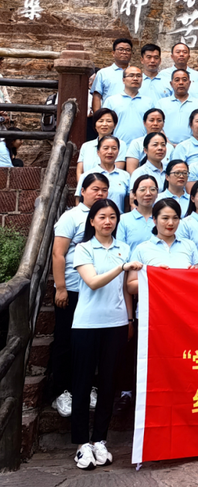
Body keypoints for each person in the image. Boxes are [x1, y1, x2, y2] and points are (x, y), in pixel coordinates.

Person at [70, 199, 142, 469]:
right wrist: (121, 268)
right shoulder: (83, 248)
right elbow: (93, 282)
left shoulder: (124, 248)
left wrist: (129, 318)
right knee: (82, 383)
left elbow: (126, 289)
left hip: (116, 323)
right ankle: (81, 443)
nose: (108, 221)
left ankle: (100, 439)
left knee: (109, 383)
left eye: (112, 217)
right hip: (87, 325)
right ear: (92, 221)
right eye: (102, 217)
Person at [51, 173, 110, 419]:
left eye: (104, 189)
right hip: (73, 288)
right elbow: (58, 253)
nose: (100, 193)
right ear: (82, 191)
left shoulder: (106, 217)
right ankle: (61, 391)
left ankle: (86, 388)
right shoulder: (71, 217)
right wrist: (60, 287)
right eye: (95, 189)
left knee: (91, 343)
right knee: (66, 340)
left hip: (96, 290)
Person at [126, 199, 198, 283]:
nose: (171, 223)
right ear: (154, 219)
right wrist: (154, 276)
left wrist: (193, 274)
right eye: (165, 218)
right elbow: (131, 285)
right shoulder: (142, 249)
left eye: (175, 218)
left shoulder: (189, 245)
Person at [75, 136, 129, 211]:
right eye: (106, 148)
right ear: (98, 152)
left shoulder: (125, 176)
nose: (110, 152)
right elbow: (78, 201)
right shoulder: (87, 175)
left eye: (114, 148)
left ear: (118, 152)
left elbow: (127, 203)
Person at [104, 67, 152, 145]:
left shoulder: (149, 102)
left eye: (138, 76)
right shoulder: (111, 101)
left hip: (143, 146)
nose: (135, 79)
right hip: (116, 146)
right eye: (131, 75)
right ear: (123, 80)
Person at [76, 108, 127, 182]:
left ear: (115, 125)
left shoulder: (120, 144)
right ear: (95, 125)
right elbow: (79, 171)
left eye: (109, 121)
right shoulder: (86, 146)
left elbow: (117, 169)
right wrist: (82, 186)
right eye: (101, 121)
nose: (104, 124)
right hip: (87, 186)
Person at [158, 71, 198, 145]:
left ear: (189, 83)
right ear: (171, 84)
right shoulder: (161, 103)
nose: (181, 83)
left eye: (184, 80)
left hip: (192, 146)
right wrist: (169, 144)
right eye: (177, 80)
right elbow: (157, 126)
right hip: (166, 146)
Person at [117, 175, 159, 251]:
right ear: (134, 195)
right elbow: (120, 249)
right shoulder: (123, 219)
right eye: (143, 190)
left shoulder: (162, 218)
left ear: (157, 194)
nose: (148, 193)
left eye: (152, 189)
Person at [125, 108, 173, 174]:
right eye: (151, 120)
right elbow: (131, 170)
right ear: (144, 123)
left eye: (159, 120)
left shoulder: (169, 147)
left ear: (163, 123)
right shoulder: (136, 143)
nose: (155, 123)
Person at [91, 38, 133, 111]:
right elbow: (97, 96)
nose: (124, 52)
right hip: (109, 115)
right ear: (113, 53)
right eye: (121, 49)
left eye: (128, 50)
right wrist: (98, 116)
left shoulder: (136, 75)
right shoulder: (103, 73)